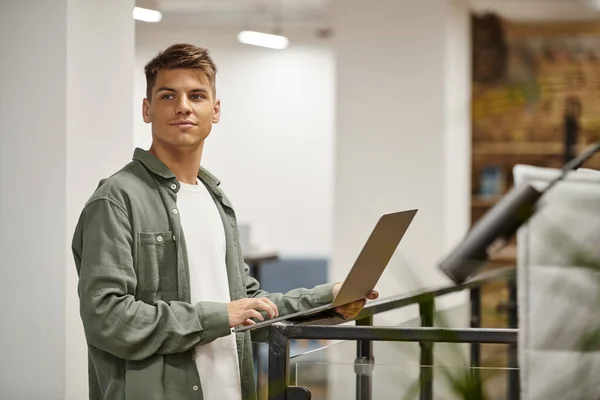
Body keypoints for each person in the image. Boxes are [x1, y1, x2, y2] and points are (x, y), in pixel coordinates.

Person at [71, 43, 378, 400]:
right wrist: (219, 317)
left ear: (215, 111)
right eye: (168, 95)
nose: (183, 106)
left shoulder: (215, 198)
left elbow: (246, 305)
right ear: (147, 109)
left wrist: (327, 301)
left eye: (196, 95)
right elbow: (107, 318)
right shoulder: (117, 200)